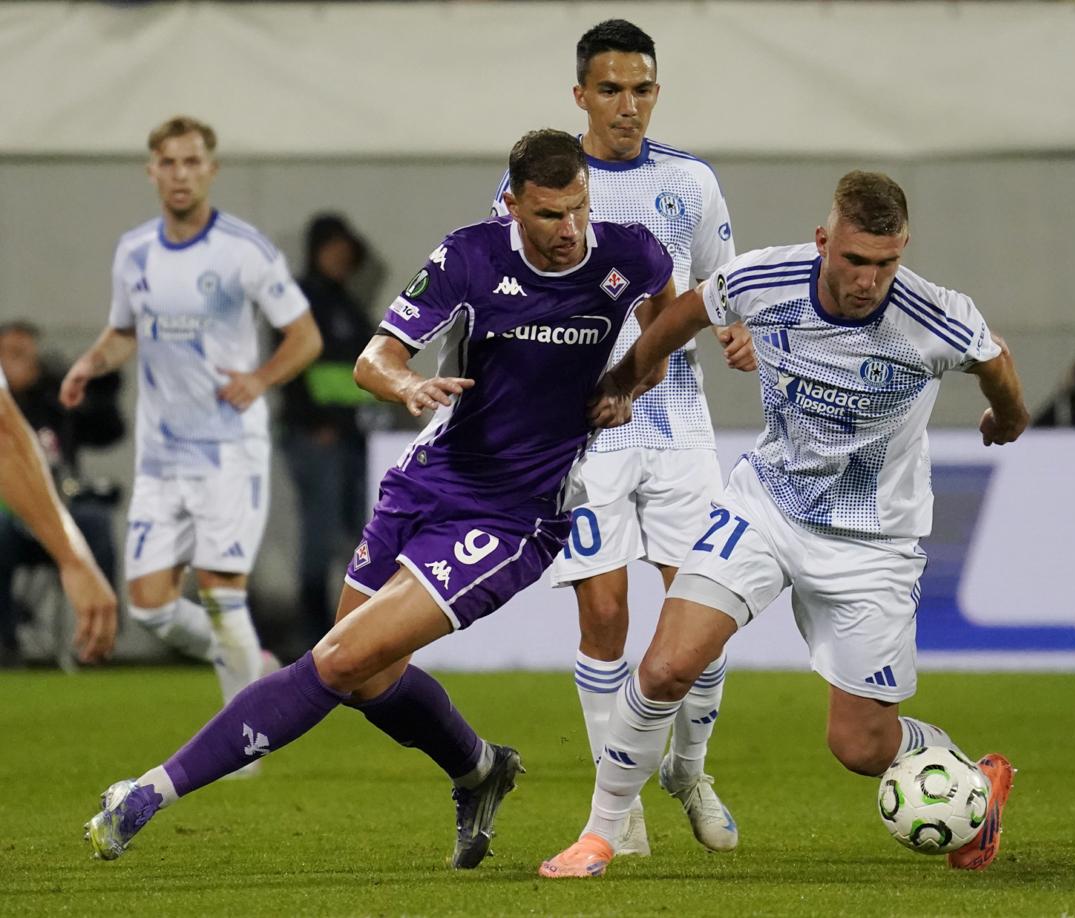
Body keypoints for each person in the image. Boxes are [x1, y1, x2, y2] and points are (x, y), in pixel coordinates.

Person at [82, 129, 680, 870]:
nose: (569, 230)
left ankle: (147, 793)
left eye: (579, 209)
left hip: (514, 515)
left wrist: (626, 383)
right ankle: (479, 769)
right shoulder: (471, 257)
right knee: (365, 677)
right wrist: (409, 386)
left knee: (336, 660)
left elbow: (667, 324)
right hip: (425, 480)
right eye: (550, 215)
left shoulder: (630, 254)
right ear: (512, 205)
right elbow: (375, 360)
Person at [540, 170, 1030, 879]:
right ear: (823, 241)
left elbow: (995, 360)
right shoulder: (764, 279)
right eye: (855, 259)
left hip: (873, 542)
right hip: (766, 507)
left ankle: (971, 781)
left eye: (886, 263)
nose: (869, 280)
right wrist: (624, 380)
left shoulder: (933, 316)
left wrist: (1007, 418)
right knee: (666, 668)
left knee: (860, 746)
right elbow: (687, 312)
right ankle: (601, 834)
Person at [491, 19, 755, 857]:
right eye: (610, 90)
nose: (627, 105)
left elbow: (718, 287)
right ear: (580, 96)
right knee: (604, 615)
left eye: (641, 89)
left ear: (656, 92)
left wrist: (737, 331)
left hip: (677, 421)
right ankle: (621, 797)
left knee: (705, 612)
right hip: (584, 431)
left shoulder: (690, 182)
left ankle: (690, 770)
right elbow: (503, 284)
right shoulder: (542, 185)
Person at [60, 116, 322, 712]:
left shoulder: (243, 250)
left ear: (211, 170)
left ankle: (250, 737)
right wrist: (89, 364)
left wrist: (259, 379)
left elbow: (304, 336)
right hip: (160, 456)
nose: (180, 174)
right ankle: (255, 667)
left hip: (228, 450)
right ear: (151, 171)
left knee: (221, 594)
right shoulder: (134, 252)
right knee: (149, 606)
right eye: (169, 163)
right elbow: (126, 332)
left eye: (192, 162)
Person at [280, 214, 379, 652]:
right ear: (317, 251)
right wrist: (314, 423)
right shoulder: (302, 301)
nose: (342, 259)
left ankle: (347, 630)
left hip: (349, 437)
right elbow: (291, 367)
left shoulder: (346, 304)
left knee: (357, 536)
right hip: (316, 438)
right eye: (334, 250)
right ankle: (314, 633)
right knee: (321, 535)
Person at [0, 321, 124, 664]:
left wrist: (100, 385)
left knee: (96, 522)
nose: (17, 362)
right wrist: (73, 561)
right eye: (9, 353)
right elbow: (6, 442)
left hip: (59, 510)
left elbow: (109, 430)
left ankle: (103, 636)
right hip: (8, 516)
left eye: (25, 355)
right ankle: (5, 640)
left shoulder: (53, 399)